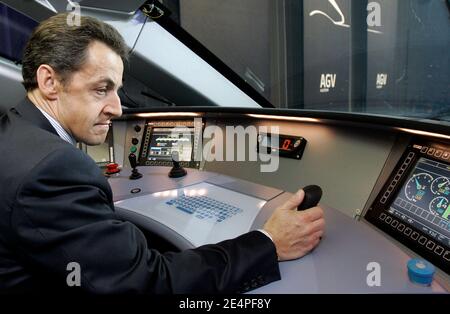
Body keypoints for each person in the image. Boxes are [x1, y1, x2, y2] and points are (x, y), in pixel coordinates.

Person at [0, 13, 325, 294]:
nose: (116, 109)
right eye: (102, 89)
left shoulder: (14, 133)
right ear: (49, 81)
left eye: (117, 90)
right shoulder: (53, 168)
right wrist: (268, 242)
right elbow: (147, 282)